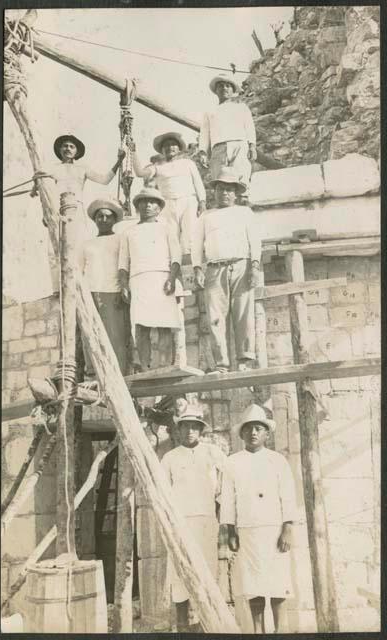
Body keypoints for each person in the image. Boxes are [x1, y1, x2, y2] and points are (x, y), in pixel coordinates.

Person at [220, 404, 297, 634]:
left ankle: (279, 630)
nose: (253, 433)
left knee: (277, 584)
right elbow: (227, 500)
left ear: (266, 433)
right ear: (242, 434)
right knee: (252, 586)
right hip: (247, 531)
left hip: (274, 531)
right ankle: (257, 632)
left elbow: (288, 496)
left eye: (258, 428)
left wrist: (288, 528)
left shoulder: (278, 461)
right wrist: (230, 531)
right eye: (249, 429)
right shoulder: (232, 462)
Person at [161, 404, 227, 632]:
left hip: (207, 521)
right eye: (186, 426)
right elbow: (163, 493)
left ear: (201, 430)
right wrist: (170, 524)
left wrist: (223, 517)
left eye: (194, 427)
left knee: (207, 571)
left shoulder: (213, 453)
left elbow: (226, 485)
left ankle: (206, 624)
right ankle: (182, 625)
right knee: (180, 572)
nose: (190, 431)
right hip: (180, 524)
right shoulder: (169, 458)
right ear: (178, 430)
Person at [191, 167, 261, 373]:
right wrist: (197, 268)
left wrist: (255, 266)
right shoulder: (206, 216)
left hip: (242, 265)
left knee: (243, 314)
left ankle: (245, 360)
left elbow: (254, 241)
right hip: (215, 268)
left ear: (237, 192)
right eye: (220, 189)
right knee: (215, 317)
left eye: (230, 189)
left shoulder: (244, 212)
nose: (225, 193)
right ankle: (221, 363)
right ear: (214, 191)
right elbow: (196, 244)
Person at [118, 187, 182, 371]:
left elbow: (176, 258)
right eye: (143, 202)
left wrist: (171, 278)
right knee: (141, 325)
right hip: (138, 281)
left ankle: (164, 366)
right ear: (137, 206)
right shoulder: (128, 233)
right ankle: (146, 367)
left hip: (162, 278)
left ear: (159, 207)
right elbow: (123, 263)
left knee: (165, 324)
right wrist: (124, 285)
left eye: (152, 202)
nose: (147, 205)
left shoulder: (166, 229)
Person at [35, 134, 125, 245]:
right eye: (65, 146)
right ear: (60, 149)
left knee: (78, 241)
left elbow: (104, 180)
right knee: (57, 242)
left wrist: (119, 161)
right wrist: (46, 211)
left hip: (76, 208)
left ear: (76, 152)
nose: (68, 148)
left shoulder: (83, 168)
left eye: (71, 147)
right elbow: (40, 181)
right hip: (58, 208)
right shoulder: (53, 168)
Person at [80, 198, 132, 377]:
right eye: (99, 217)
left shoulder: (120, 238)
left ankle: (119, 372)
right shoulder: (86, 244)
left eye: (107, 217)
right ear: (95, 220)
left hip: (113, 291)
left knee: (115, 336)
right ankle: (93, 371)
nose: (103, 220)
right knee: (90, 333)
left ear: (114, 220)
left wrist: (122, 288)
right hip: (90, 293)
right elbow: (80, 270)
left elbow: (124, 264)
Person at [131, 132, 206, 256]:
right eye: (166, 146)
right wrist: (133, 152)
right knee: (171, 238)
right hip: (168, 204)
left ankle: (192, 269)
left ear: (178, 148)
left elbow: (198, 184)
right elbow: (139, 173)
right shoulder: (157, 167)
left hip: (188, 201)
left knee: (190, 237)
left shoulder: (188, 163)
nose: (170, 147)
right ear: (162, 150)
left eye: (173, 144)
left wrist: (202, 202)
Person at [198, 74, 257, 191]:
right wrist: (203, 152)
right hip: (218, 148)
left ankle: (243, 202)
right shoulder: (210, 112)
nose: (224, 88)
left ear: (232, 90)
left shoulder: (241, 107)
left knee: (242, 177)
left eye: (227, 86)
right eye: (220, 86)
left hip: (239, 145)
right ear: (216, 91)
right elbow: (204, 133)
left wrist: (252, 146)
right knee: (221, 179)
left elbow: (249, 127)